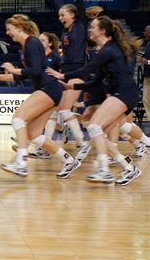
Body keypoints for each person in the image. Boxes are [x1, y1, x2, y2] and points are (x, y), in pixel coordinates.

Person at [46, 16, 142, 185]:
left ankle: (104, 171)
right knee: (98, 133)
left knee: (93, 126)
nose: (90, 30)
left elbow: (88, 68)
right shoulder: (105, 50)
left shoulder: (109, 49)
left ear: (102, 31)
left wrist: (63, 75)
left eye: (93, 27)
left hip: (124, 93)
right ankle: (129, 168)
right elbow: (96, 81)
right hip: (123, 94)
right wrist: (71, 87)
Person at [0, 14, 80, 178]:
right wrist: (0, 77)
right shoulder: (27, 46)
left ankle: (21, 163)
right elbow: (23, 75)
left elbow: (35, 70)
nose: (8, 33)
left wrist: (13, 70)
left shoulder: (32, 43)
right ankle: (69, 160)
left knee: (18, 119)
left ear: (19, 28)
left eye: (9, 29)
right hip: (49, 89)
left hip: (48, 88)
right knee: (34, 134)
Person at [51, 0, 91, 161]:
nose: (60, 17)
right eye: (59, 15)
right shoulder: (65, 29)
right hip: (65, 70)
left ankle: (83, 144)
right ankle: (47, 143)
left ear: (74, 15)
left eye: (63, 15)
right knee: (56, 108)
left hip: (79, 70)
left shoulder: (81, 24)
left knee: (65, 109)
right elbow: (59, 2)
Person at [140, 25, 150, 119]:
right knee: (146, 100)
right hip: (147, 76)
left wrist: (147, 62)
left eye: (145, 31)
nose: (144, 33)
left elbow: (148, 61)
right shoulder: (147, 43)